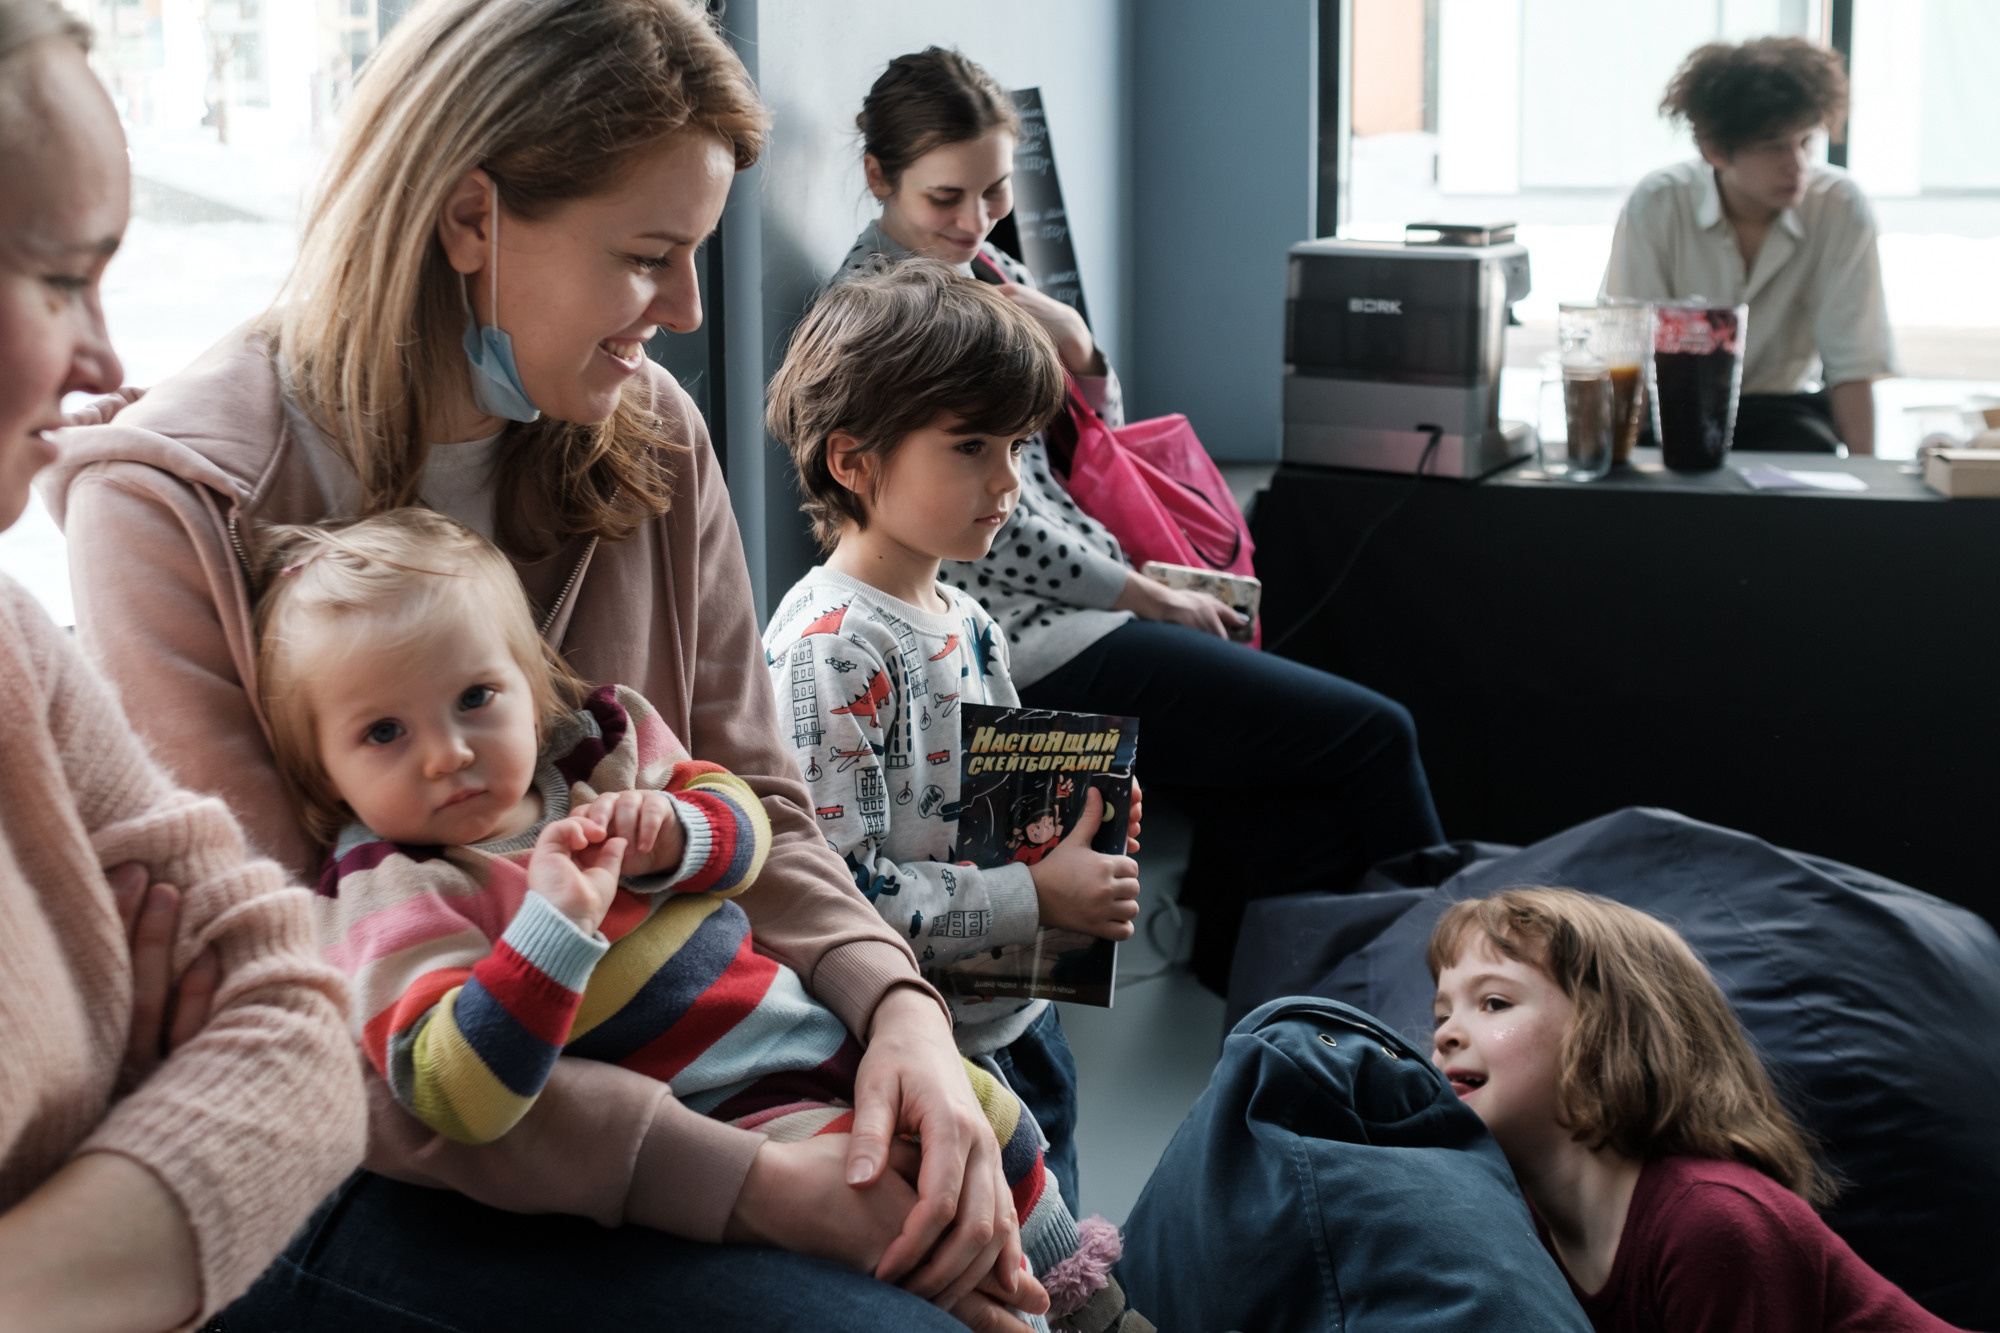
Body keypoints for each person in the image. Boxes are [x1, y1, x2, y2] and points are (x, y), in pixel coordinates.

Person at [46, 2, 1042, 1328]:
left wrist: (899, 1014)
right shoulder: (168, 507)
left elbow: (757, 800)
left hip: (689, 1049)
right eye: (648, 255)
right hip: (390, 1149)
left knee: (1019, 1150)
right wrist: (754, 1183)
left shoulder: (652, 438)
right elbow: (294, 1029)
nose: (686, 309)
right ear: (472, 221)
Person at [258, 507, 1142, 1332]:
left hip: (816, 1031)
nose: (447, 752)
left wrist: (676, 831)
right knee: (919, 1216)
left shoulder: (597, 748)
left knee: (994, 1116)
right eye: (382, 733)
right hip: (730, 1111)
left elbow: (747, 824)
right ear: (324, 774)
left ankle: (1085, 1299)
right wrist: (554, 931)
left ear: (529, 685)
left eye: (475, 698)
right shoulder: (396, 886)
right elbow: (451, 1090)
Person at [839, 47, 1444, 994]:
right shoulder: (895, 312)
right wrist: (1147, 594)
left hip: (1067, 613)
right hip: (1032, 641)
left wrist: (1069, 335)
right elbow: (996, 522)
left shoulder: (975, 267)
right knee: (1377, 737)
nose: (972, 218)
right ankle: (1447, 990)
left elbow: (1085, 440)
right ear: (878, 178)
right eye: (944, 199)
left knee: (1289, 807)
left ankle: (1269, 1015)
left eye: (994, 190)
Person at [0, 3, 366, 1328]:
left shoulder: (14, 652)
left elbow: (297, 1023)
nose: (107, 360)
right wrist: (130, 1109)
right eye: (57, 280)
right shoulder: (162, 498)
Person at [763, 261, 1145, 1220]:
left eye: (1016, 444)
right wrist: (1037, 889)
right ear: (853, 461)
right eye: (971, 445)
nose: (1009, 480)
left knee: (1070, 1261)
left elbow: (998, 808)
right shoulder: (832, 650)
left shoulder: (965, 615)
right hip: (932, 1054)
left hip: (1019, 1018)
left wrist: (1081, 833)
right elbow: (838, 901)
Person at [1428, 887, 1966, 1332]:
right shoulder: (1521, 1229)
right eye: (1441, 1012)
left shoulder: (1712, 1219)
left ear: (1609, 1033)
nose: (1447, 1034)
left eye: (1494, 1002)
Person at [1603, 37, 1898, 454]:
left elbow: (1852, 361)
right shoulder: (1658, 203)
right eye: (1774, 146)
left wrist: (1870, 488)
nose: (1797, 165)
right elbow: (1626, 343)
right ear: (1715, 151)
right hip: (1672, 408)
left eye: (1805, 142)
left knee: (1808, 451)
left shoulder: (1839, 206)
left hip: (1786, 414)